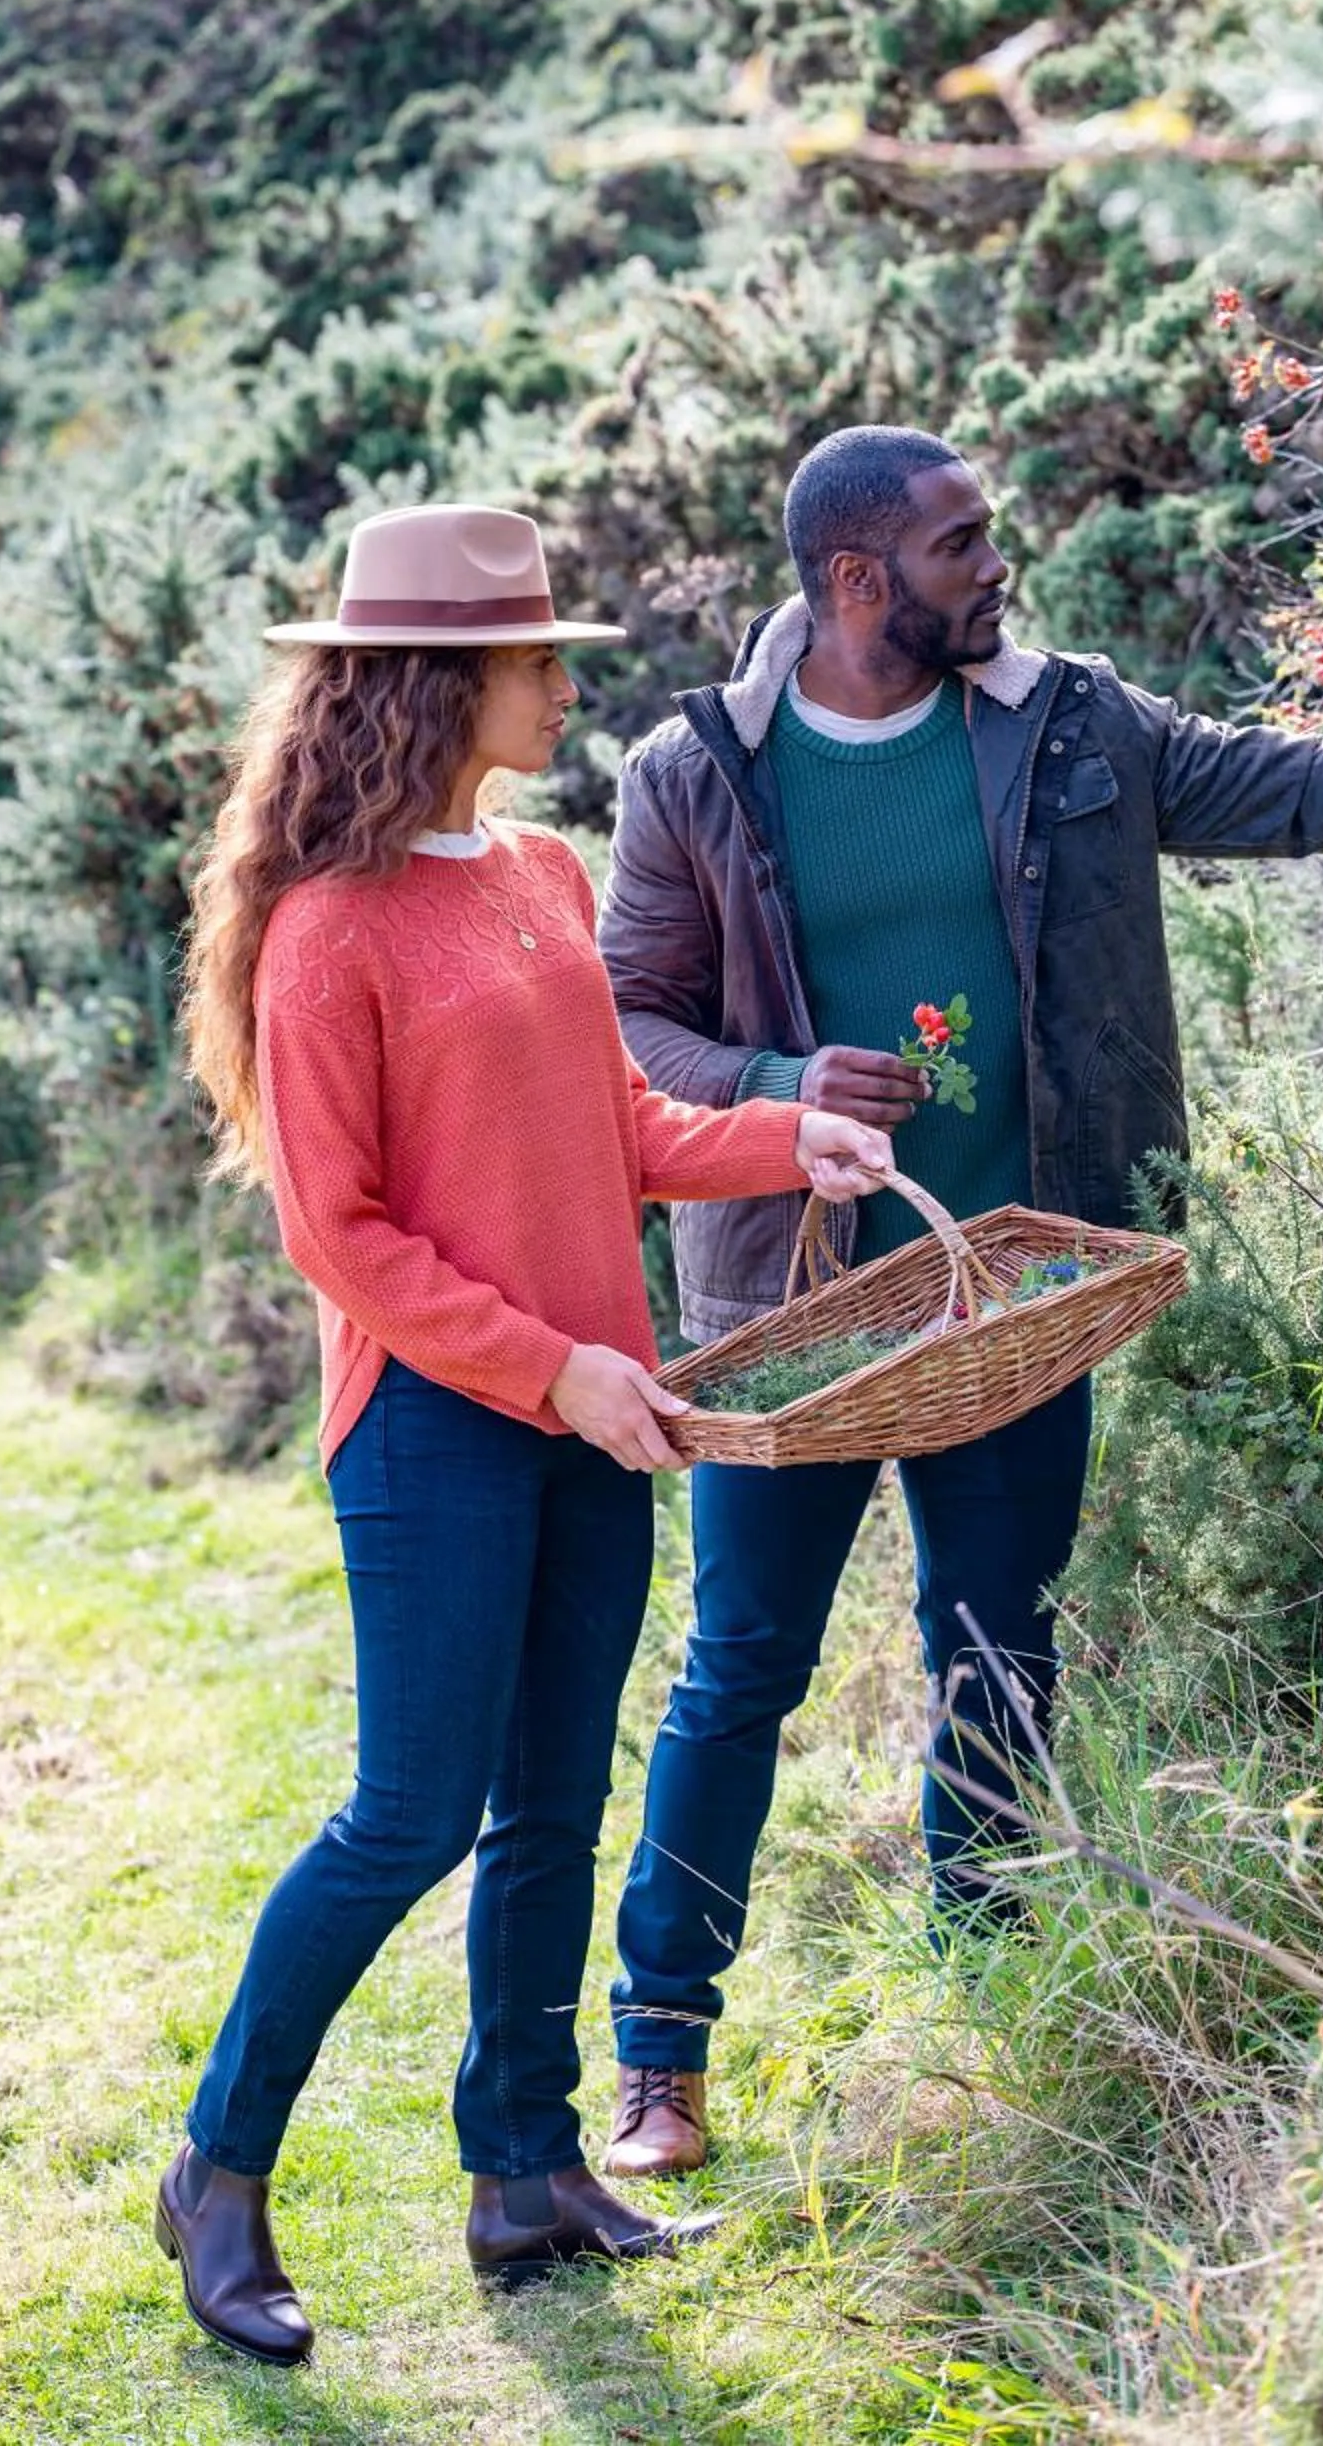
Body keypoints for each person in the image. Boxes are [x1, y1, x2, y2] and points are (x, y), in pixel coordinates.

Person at [594, 422, 1323, 2179]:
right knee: (740, 1671)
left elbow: (1306, 787)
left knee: (997, 1655)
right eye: (959, 546)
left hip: (1020, 1288)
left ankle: (987, 2018)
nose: (995, 563)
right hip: (790, 1314)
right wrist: (786, 1080)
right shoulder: (696, 770)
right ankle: (659, 2063)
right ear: (858, 579)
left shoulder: (1070, 718)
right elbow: (626, 1020)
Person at [158, 501, 890, 2362]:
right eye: (540, 657)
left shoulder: (541, 873)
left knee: (556, 1800)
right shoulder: (328, 931)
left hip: (597, 1405)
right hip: (436, 1423)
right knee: (408, 1817)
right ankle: (220, 2170)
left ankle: (524, 2170)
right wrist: (546, 1367)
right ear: (440, 681)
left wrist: (783, 1131)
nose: (569, 682)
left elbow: (620, 1132)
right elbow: (343, 1234)